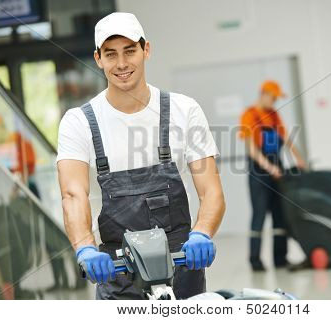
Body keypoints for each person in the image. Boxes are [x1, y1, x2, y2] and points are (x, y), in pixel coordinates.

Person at [56, 12, 225, 299]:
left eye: (130, 51)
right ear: (98, 59)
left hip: (180, 266)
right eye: (111, 54)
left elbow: (211, 191)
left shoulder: (184, 110)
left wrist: (202, 233)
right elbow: (73, 194)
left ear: (146, 50)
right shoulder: (79, 121)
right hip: (117, 272)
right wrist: (85, 247)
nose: (121, 64)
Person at [239, 80, 306, 271]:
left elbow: (286, 139)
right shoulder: (249, 115)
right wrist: (269, 167)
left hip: (277, 167)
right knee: (259, 216)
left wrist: (299, 159)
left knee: (280, 215)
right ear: (263, 94)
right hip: (259, 171)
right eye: (274, 97)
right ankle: (255, 261)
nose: (275, 101)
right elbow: (252, 150)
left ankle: (280, 259)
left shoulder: (274, 115)